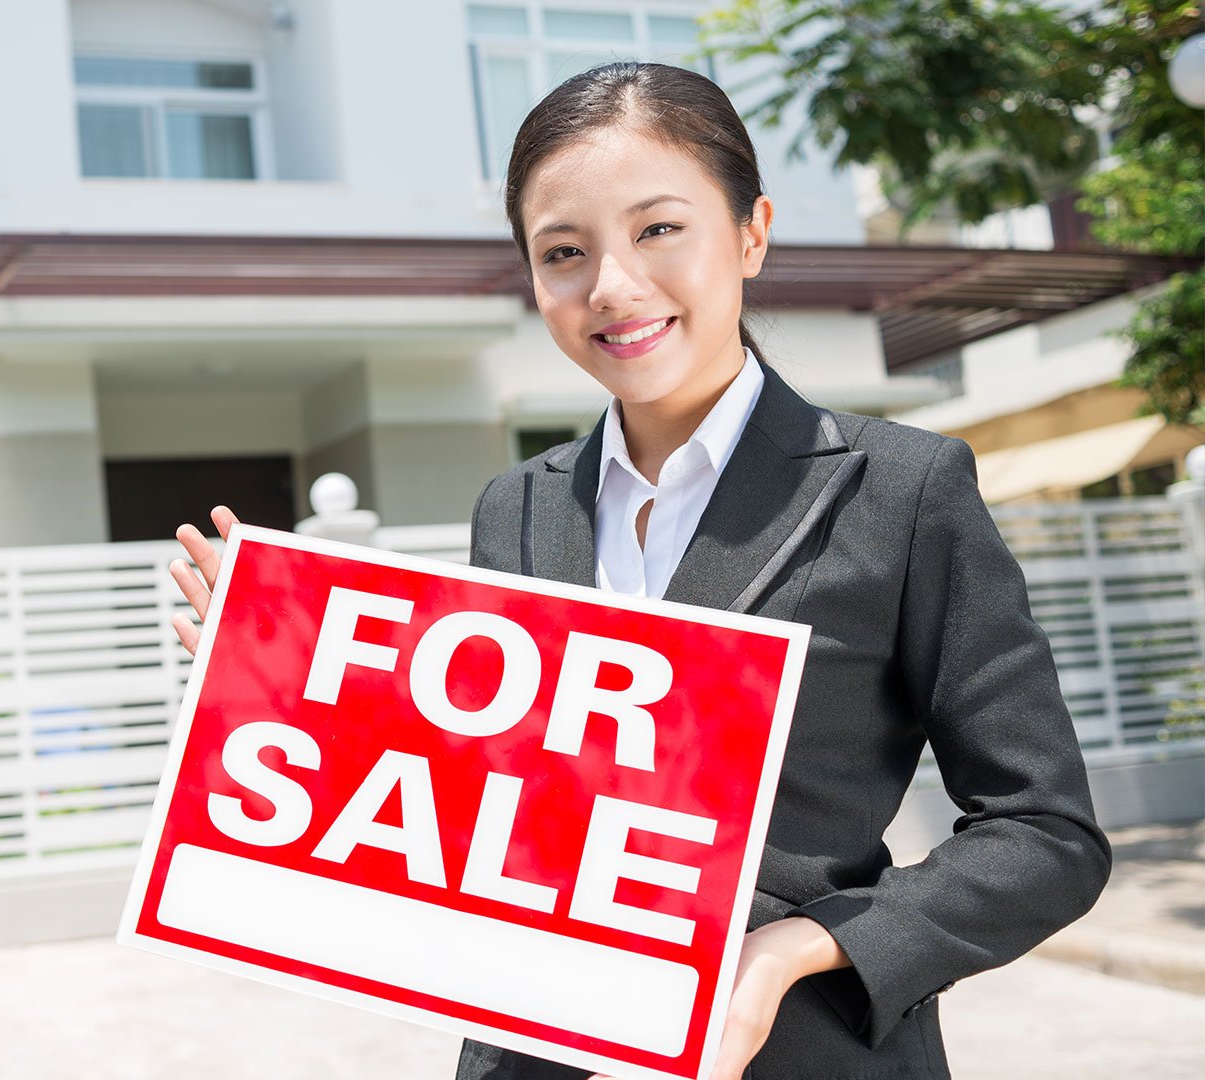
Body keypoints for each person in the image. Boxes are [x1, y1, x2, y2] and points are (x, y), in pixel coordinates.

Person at [165, 61, 1111, 1080]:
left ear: (751, 232)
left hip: (794, 1052)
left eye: (659, 229)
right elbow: (505, 803)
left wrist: (792, 951)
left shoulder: (903, 489)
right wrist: (311, 691)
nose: (613, 286)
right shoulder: (515, 507)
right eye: (564, 252)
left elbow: (1046, 835)